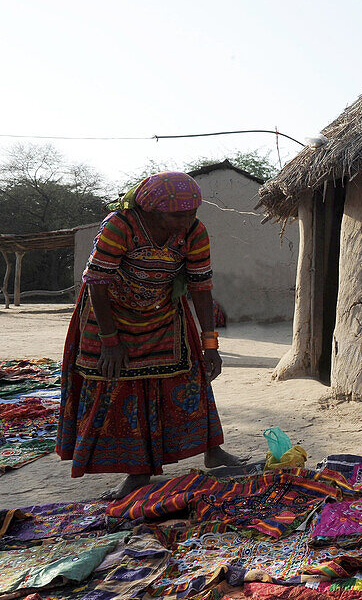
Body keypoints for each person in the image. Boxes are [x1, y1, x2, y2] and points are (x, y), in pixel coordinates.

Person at [56, 171, 242, 499]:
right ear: (151, 211)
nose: (187, 221)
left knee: (190, 378)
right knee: (121, 386)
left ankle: (213, 452)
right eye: (178, 215)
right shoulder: (121, 227)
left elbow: (200, 286)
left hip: (162, 310)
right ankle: (137, 473)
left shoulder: (195, 233)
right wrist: (110, 341)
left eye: (192, 214)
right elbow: (97, 283)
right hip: (109, 314)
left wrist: (209, 343)